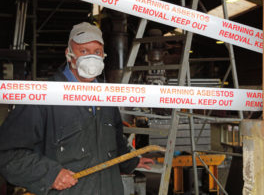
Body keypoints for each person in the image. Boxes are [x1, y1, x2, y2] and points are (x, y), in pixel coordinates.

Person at [0, 22, 154, 195]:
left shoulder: (106, 94)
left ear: (104, 55)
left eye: (97, 52)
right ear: (69, 55)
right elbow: (7, 153)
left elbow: (114, 137)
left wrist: (129, 161)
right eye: (84, 51)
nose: (92, 58)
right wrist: (50, 174)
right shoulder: (43, 96)